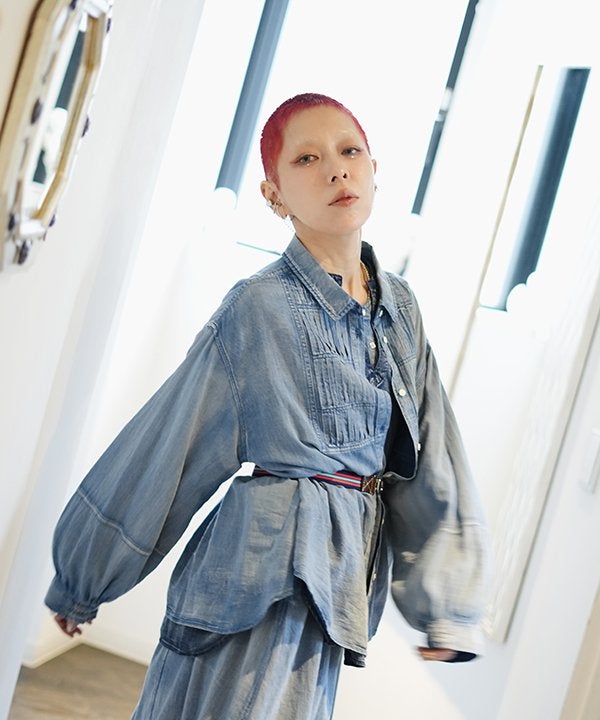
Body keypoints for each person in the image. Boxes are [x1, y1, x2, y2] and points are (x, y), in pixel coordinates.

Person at [46, 92, 490, 719]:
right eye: (307, 159)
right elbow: (172, 441)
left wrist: (447, 607)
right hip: (250, 587)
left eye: (349, 151)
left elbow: (432, 457)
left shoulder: (400, 310)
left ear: (373, 169)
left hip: (336, 591)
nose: (336, 170)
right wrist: (86, 576)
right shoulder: (258, 306)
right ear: (274, 195)